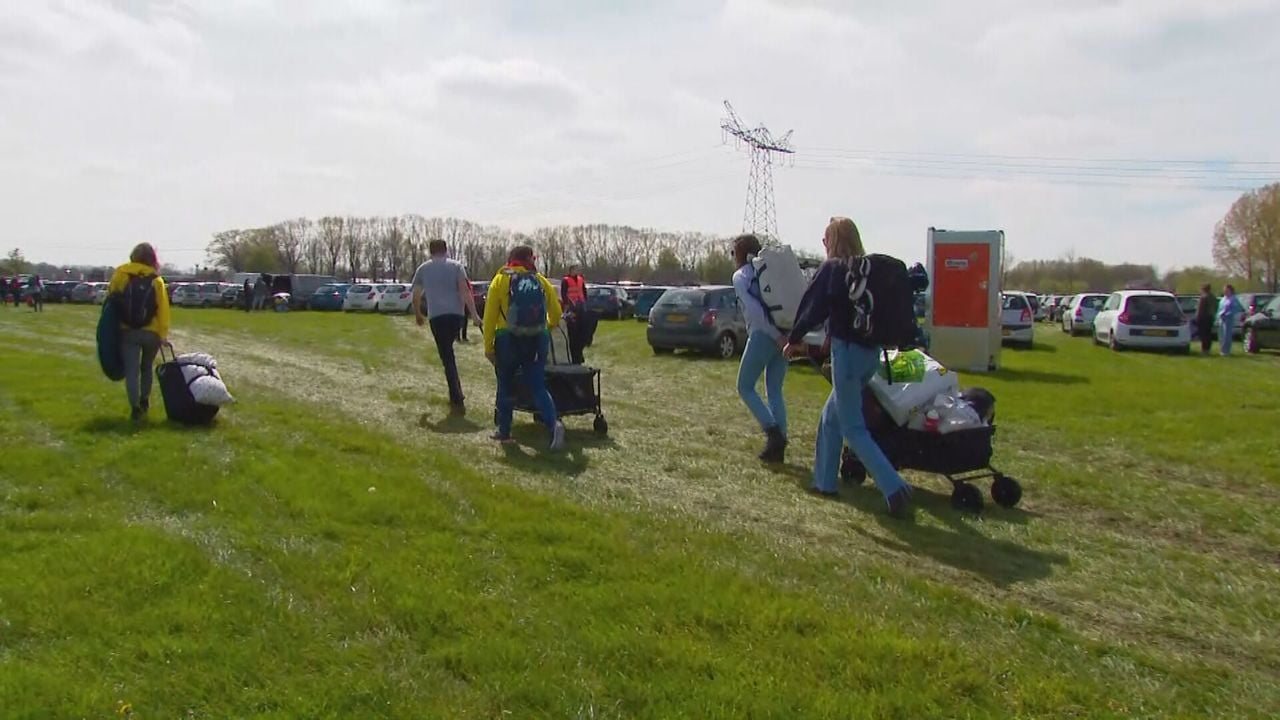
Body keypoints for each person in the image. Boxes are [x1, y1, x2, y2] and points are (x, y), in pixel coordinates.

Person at [785, 216, 912, 518]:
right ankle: (824, 482)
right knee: (831, 418)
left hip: (847, 353)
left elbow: (813, 306)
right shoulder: (868, 272)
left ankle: (894, 488)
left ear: (834, 240)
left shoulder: (832, 269)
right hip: (871, 354)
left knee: (853, 428)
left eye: (826, 237)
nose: (823, 243)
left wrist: (794, 339)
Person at [483, 245, 565, 449]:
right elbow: (556, 312)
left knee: (506, 384)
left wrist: (488, 347)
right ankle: (553, 423)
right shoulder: (541, 281)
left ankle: (504, 432)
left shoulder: (500, 279)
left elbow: (490, 316)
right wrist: (547, 327)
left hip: (507, 338)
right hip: (537, 338)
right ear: (530, 259)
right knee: (537, 385)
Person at [730, 233, 789, 463]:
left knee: (744, 386)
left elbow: (754, 310)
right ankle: (779, 446)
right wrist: (783, 337)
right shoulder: (768, 273)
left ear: (740, 254)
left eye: (734, 253)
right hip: (784, 333)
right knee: (774, 389)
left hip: (764, 335)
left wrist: (774, 336)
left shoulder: (741, 276)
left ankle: (773, 434)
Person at [411, 239, 482, 412]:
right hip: (456, 315)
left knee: (447, 356)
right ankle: (455, 393)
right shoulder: (456, 266)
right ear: (446, 250)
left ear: (430, 251)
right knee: (448, 352)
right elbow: (465, 292)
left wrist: (418, 314)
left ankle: (456, 395)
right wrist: (474, 315)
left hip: (437, 316)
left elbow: (416, 294)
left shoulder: (423, 268)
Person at [107, 242, 170, 422]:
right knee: (147, 367)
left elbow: (111, 299)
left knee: (132, 370)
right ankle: (145, 400)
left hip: (128, 331)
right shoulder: (156, 280)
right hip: (152, 332)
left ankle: (134, 407)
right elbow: (163, 309)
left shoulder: (121, 274)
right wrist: (163, 334)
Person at [560, 264, 589, 364]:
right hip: (571, 307)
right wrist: (566, 306)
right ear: (571, 270)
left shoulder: (581, 279)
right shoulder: (566, 280)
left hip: (581, 306)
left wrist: (585, 303)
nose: (577, 271)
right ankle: (573, 355)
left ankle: (579, 354)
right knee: (573, 332)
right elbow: (564, 294)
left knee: (582, 331)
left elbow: (584, 292)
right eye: (575, 269)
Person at [1217, 284, 1244, 356]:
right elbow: (1219, 308)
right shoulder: (1223, 299)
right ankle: (1221, 350)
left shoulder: (1233, 299)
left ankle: (1226, 351)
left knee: (1227, 335)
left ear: (1231, 291)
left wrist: (1228, 313)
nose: (1225, 291)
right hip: (1221, 318)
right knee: (1221, 334)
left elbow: (1237, 308)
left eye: (1227, 290)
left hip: (1228, 318)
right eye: (1224, 290)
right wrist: (1218, 316)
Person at [1194, 283, 1217, 355]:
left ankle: (1204, 350)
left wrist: (1197, 318)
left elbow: (1200, 309)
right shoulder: (1213, 297)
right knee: (1208, 334)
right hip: (1210, 317)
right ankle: (1208, 349)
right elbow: (1216, 307)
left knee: (1203, 335)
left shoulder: (1203, 297)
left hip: (1203, 318)